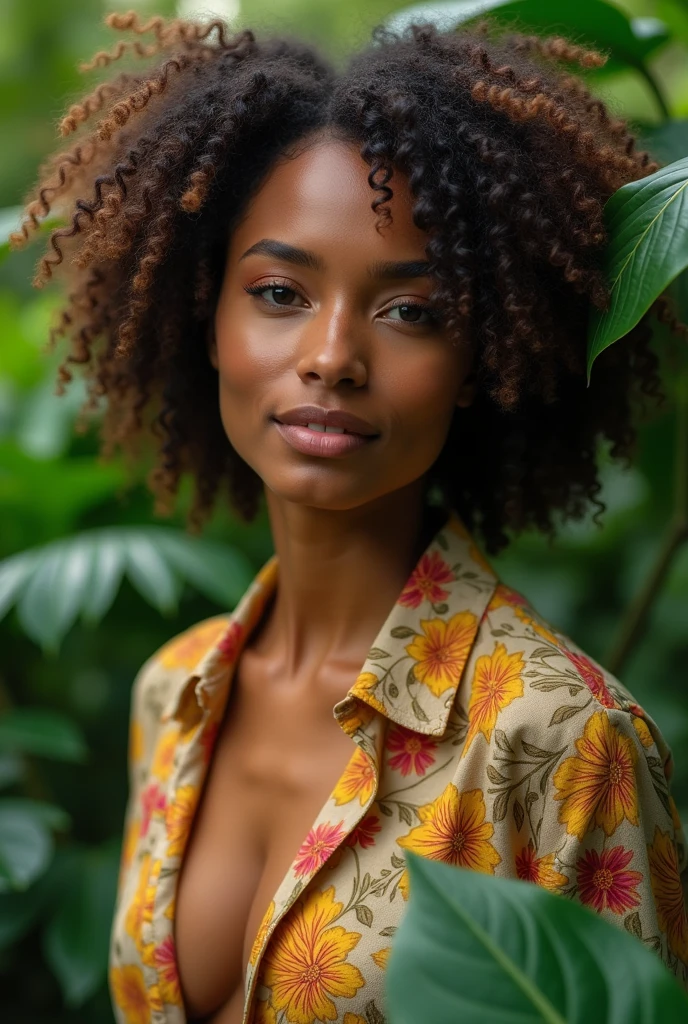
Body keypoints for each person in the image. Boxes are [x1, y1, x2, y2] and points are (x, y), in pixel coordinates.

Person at [12, 11, 688, 1024]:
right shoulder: (176, 695)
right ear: (207, 317)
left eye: (411, 310)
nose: (331, 355)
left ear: (479, 363)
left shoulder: (561, 738)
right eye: (279, 291)